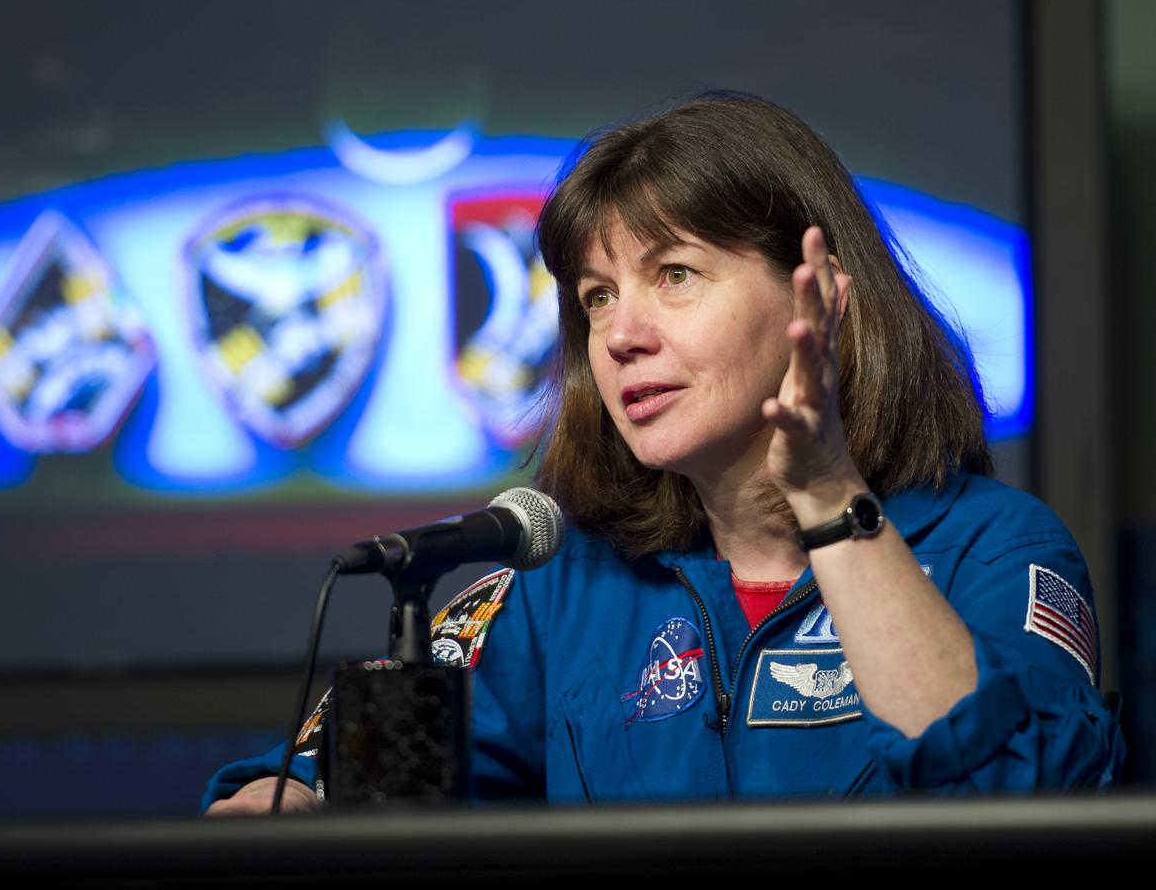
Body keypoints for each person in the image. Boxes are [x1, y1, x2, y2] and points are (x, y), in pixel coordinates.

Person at [204, 92, 1123, 813]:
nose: (620, 336)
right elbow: (349, 783)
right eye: (597, 296)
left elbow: (1015, 797)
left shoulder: (997, 550)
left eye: (674, 275)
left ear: (824, 300)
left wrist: (831, 498)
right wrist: (292, 795)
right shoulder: (561, 589)